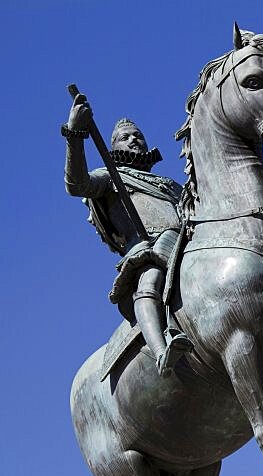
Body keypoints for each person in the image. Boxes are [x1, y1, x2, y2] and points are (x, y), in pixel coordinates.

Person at [63, 94, 191, 376]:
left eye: (138, 135)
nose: (134, 139)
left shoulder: (168, 184)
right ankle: (161, 349)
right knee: (151, 277)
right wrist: (75, 135)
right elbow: (77, 184)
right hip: (149, 248)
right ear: (114, 147)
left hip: (187, 241)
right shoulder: (109, 177)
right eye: (125, 137)